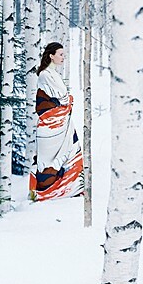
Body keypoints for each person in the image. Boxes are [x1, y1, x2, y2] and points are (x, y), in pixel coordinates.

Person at [29, 42, 84, 201]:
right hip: (52, 125)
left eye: (64, 54)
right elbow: (63, 96)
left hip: (61, 123)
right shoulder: (45, 74)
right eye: (60, 54)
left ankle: (69, 188)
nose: (63, 57)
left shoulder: (52, 73)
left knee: (69, 151)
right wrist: (67, 102)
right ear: (51, 55)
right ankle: (48, 192)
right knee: (48, 160)